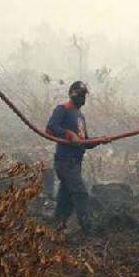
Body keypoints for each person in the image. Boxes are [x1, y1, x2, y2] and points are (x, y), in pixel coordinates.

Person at [46, 81, 110, 234]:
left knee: (65, 196)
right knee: (80, 192)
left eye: (84, 95)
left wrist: (99, 140)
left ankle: (56, 227)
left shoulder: (80, 116)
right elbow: (50, 128)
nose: (83, 98)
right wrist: (68, 134)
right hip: (65, 161)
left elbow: (84, 142)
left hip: (75, 162)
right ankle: (88, 228)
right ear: (72, 94)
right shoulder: (63, 109)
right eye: (80, 95)